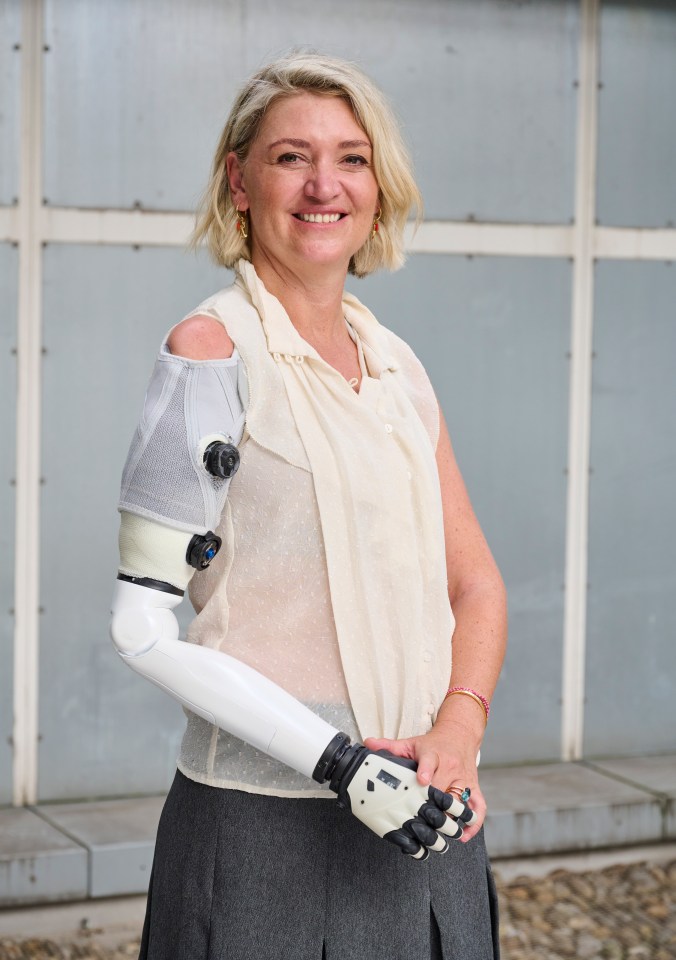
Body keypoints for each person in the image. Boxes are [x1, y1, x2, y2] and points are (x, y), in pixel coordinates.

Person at [110, 52, 507, 960]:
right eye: (291, 156)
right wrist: (341, 764)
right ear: (238, 181)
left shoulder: (398, 366)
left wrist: (459, 731)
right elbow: (139, 627)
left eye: (352, 157)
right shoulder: (209, 352)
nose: (324, 183)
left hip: (424, 820)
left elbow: (476, 584)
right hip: (262, 831)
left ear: (378, 184)